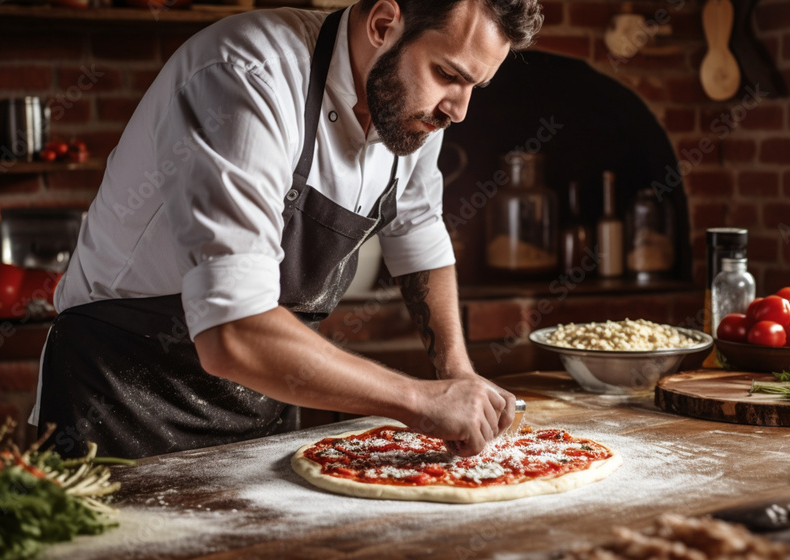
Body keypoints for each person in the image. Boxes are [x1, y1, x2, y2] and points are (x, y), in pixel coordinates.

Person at [30, 0, 544, 459]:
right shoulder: (246, 74)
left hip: (263, 402)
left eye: (474, 85)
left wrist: (455, 370)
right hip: (119, 395)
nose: (458, 110)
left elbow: (418, 234)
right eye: (448, 74)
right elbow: (231, 330)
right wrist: (419, 401)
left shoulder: (410, 107)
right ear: (385, 24)